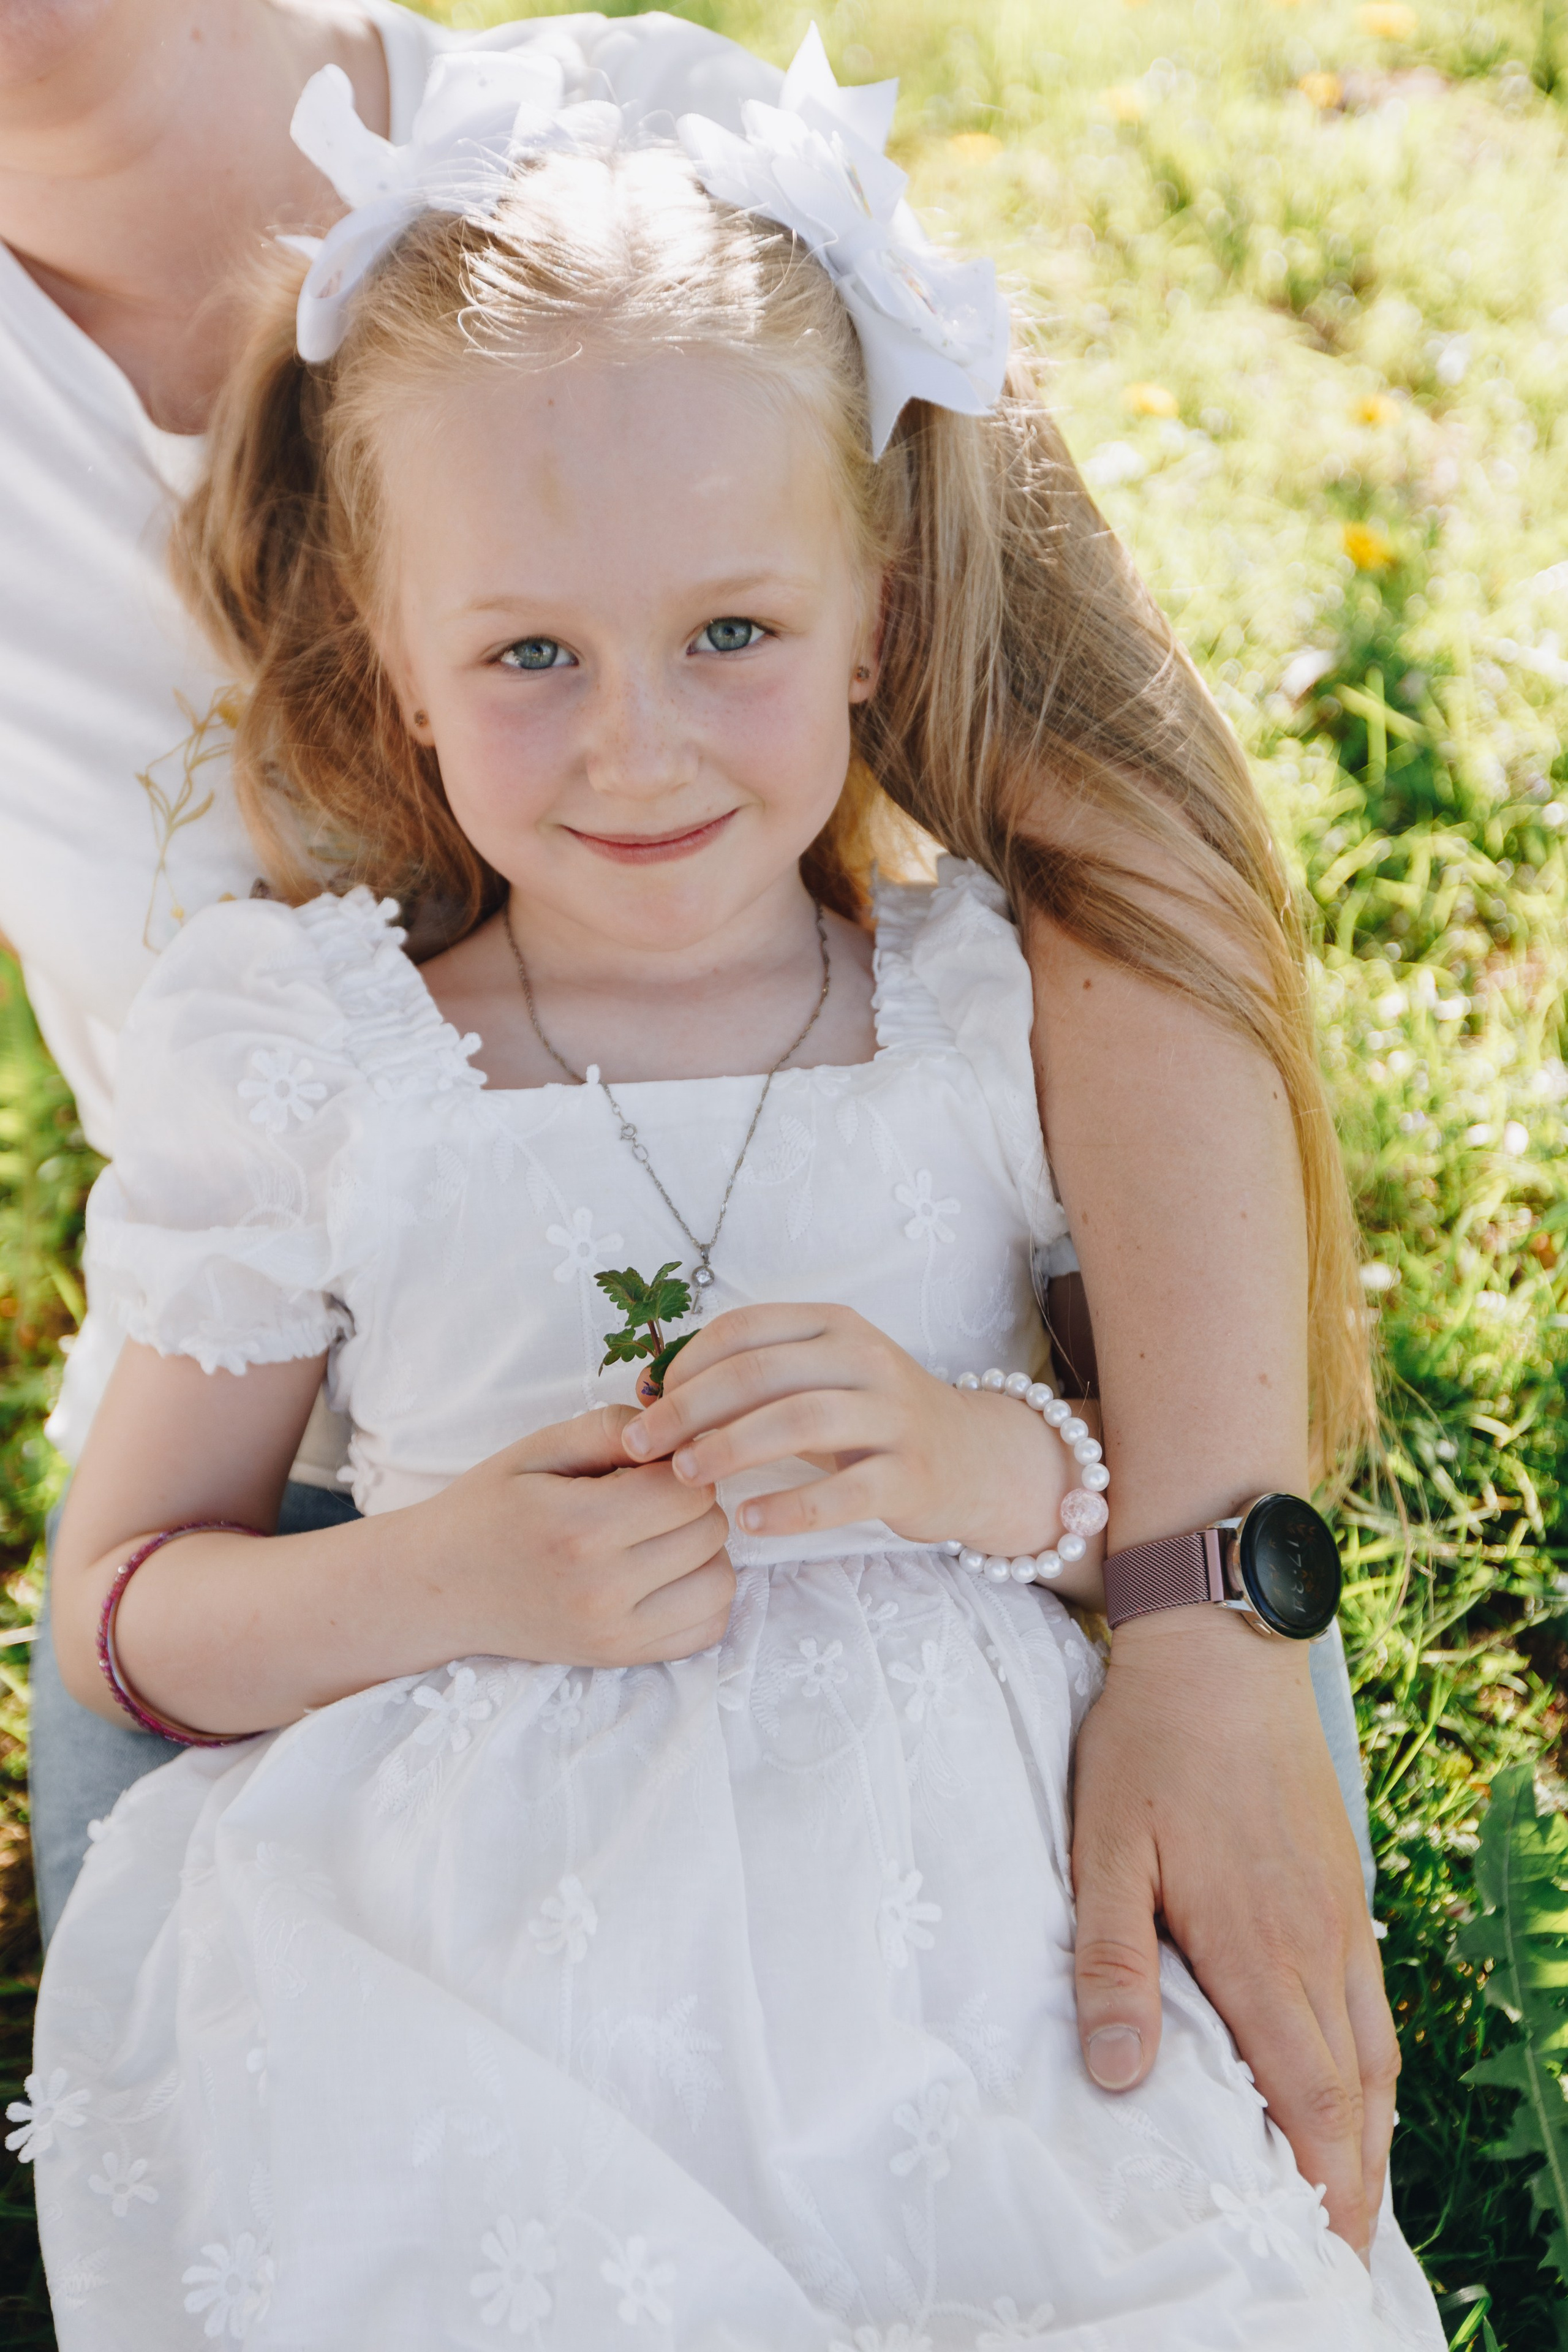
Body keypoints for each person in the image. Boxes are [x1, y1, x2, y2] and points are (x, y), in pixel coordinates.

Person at [14, 45, 1439, 2346]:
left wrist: (987, 1463)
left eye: (734, 640)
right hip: (475, 1900)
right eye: (529, 659)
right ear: (397, 657)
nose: (638, 746)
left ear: (878, 621)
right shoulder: (319, 1059)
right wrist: (437, 1572)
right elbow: (124, 1609)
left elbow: (1099, 1494)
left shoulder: (979, 1000)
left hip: (942, 1913)